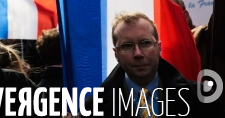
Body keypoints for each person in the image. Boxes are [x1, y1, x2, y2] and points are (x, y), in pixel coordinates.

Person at [84, 12, 224, 116]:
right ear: (116, 54)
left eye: (145, 43)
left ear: (159, 48)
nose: (138, 53)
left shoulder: (201, 97)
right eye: (127, 46)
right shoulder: (93, 107)